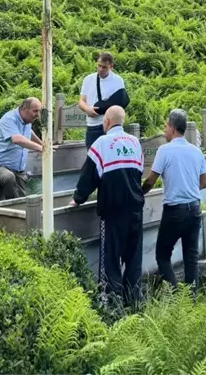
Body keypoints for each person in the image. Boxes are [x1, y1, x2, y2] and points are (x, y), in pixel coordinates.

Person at [69, 105, 144, 307]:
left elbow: (88, 177)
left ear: (107, 121)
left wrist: (77, 198)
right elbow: (138, 174)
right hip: (136, 209)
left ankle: (113, 304)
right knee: (133, 258)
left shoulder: (101, 143)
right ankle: (135, 302)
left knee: (111, 259)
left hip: (112, 211)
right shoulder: (135, 143)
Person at [142, 109, 206, 293]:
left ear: (172, 128)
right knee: (191, 257)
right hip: (194, 208)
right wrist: (189, 189)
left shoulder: (165, 150)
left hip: (174, 211)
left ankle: (175, 296)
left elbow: (150, 180)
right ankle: (190, 301)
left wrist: (139, 193)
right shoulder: (196, 151)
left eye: (165, 126)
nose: (164, 130)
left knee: (162, 255)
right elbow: (205, 182)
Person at [0, 97, 43, 200]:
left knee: (22, 202)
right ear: (24, 108)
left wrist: (43, 144)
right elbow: (17, 139)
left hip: (19, 172)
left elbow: (30, 132)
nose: (37, 115)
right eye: (35, 111)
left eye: (38, 111)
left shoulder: (27, 121)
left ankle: (17, 207)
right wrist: (41, 148)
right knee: (8, 177)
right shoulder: (9, 119)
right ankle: (11, 206)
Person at [78, 52, 129, 149]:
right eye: (99, 66)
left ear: (111, 66)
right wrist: (87, 109)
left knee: (109, 158)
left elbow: (119, 104)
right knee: (92, 157)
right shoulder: (88, 79)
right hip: (92, 125)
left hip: (110, 126)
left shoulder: (118, 80)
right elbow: (81, 101)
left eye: (104, 67)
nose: (101, 69)